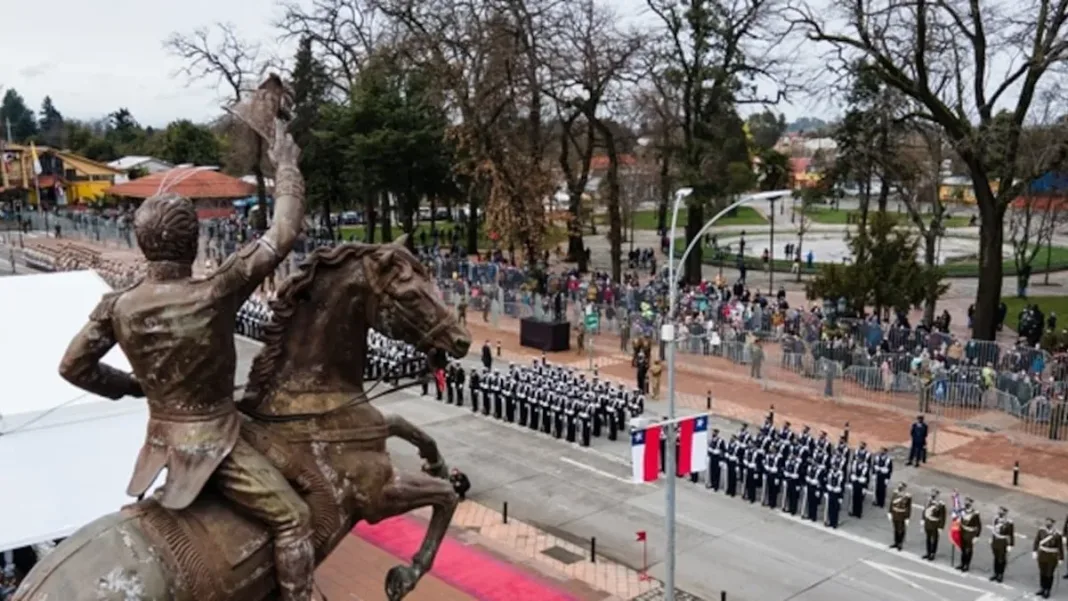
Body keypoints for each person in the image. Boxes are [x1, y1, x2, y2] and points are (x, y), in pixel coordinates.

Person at [58, 113, 322, 601]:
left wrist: (132, 386)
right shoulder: (214, 290)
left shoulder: (118, 305)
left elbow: (73, 367)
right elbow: (283, 231)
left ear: (141, 241)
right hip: (215, 441)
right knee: (295, 518)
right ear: (193, 240)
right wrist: (285, 164)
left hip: (160, 437)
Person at [1035, 517, 1064, 598]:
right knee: (1042, 572)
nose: (1047, 523)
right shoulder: (1041, 531)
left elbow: (1060, 547)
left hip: (1052, 556)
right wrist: (1034, 551)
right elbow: (1037, 541)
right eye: (1046, 522)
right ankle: (1042, 588)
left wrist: (1061, 558)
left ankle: (1047, 589)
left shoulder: (1057, 534)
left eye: (1049, 522)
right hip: (1042, 555)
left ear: (1053, 523)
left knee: (1049, 574)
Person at [989, 506, 1015, 583]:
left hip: (1003, 542)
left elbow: (1011, 534)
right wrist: (991, 538)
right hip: (995, 540)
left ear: (1005, 513)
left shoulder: (1009, 522)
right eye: (999, 510)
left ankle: (1000, 574)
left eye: (1001, 511)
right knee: (996, 558)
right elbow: (994, 530)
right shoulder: (996, 519)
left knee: (1001, 559)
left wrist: (1011, 544)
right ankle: (995, 573)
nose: (999, 512)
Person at [921, 489, 946, 560]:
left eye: (935, 493)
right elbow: (924, 510)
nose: (933, 495)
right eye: (932, 493)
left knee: (934, 539)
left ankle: (933, 553)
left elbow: (942, 516)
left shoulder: (941, 504)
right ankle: (928, 552)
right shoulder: (928, 501)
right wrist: (923, 519)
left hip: (935, 524)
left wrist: (941, 527)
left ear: (938, 495)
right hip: (928, 522)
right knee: (928, 538)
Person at [957, 498, 982, 572]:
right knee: (963, 549)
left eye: (968, 502)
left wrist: (977, 536)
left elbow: (979, 525)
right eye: (965, 501)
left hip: (970, 533)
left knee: (968, 550)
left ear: (971, 503)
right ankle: (962, 563)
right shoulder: (962, 510)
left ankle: (967, 565)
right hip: (962, 531)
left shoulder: (975, 513)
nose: (966, 503)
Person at [888, 483, 911, 550]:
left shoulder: (907, 496)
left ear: (904, 488)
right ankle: (896, 542)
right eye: (899, 487)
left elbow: (908, 507)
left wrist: (907, 517)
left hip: (902, 514)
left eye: (902, 487)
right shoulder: (895, 493)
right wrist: (890, 512)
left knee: (901, 529)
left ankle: (900, 543)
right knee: (896, 529)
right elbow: (892, 502)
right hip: (895, 512)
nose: (900, 488)